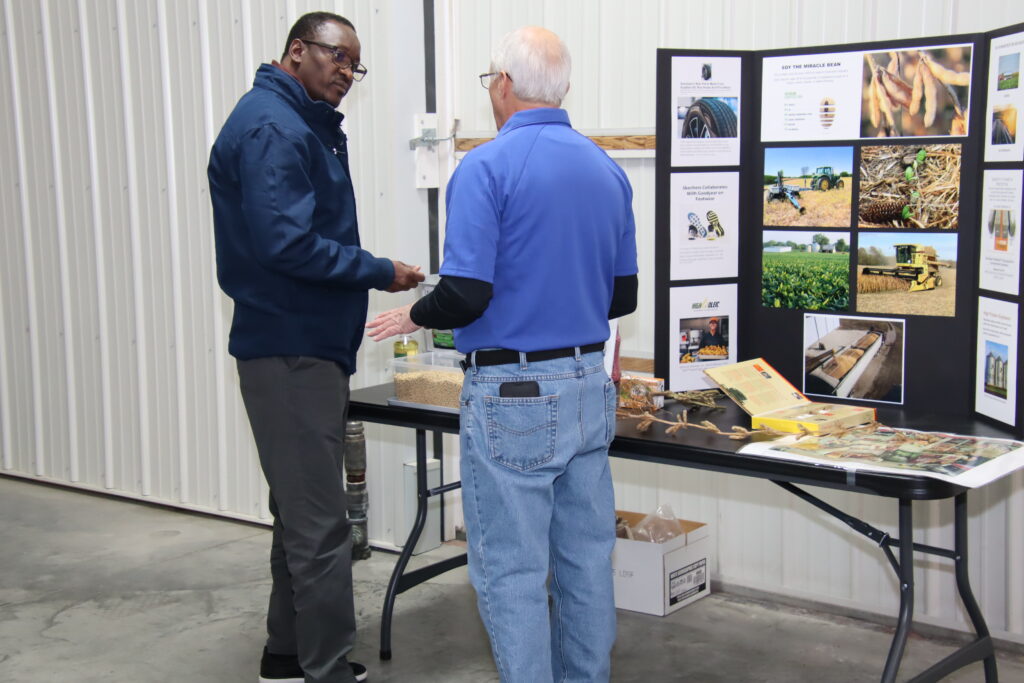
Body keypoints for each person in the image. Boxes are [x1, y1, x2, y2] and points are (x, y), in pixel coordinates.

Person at [367, 26, 638, 683]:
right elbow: (623, 294)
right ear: (564, 89)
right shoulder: (606, 168)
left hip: (514, 396)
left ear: (505, 86)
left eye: (491, 81)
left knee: (511, 568)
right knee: (584, 557)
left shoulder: (484, 168)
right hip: (588, 386)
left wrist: (414, 312)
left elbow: (464, 293)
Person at [208, 11, 423, 683]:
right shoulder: (275, 126)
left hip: (298, 347)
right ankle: (326, 668)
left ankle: (285, 653)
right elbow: (286, 244)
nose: (345, 74)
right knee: (322, 527)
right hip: (290, 350)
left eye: (355, 66)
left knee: (297, 513)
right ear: (297, 51)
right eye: (336, 58)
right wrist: (377, 269)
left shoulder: (298, 122)